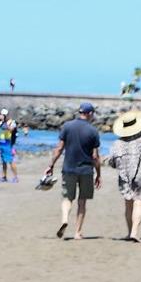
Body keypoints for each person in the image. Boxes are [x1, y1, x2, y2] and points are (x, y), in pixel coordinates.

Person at [43, 102, 102, 239]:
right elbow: (95, 156)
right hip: (86, 170)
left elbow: (59, 149)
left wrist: (51, 165)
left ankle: (64, 219)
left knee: (67, 198)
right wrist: (99, 174)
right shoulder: (93, 131)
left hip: (68, 168)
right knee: (82, 201)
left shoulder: (67, 126)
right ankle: (77, 232)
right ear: (90, 114)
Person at [108, 111, 141, 243]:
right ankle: (134, 232)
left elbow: (112, 162)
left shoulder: (117, 144)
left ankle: (129, 232)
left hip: (124, 177)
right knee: (139, 201)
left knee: (128, 203)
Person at [0, 109, 19, 182]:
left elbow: (11, 130)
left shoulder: (12, 122)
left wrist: (5, 123)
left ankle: (15, 177)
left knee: (11, 161)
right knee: (3, 161)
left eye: (4, 115)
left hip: (9, 144)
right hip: (2, 143)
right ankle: (4, 176)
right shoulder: (1, 122)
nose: (3, 116)